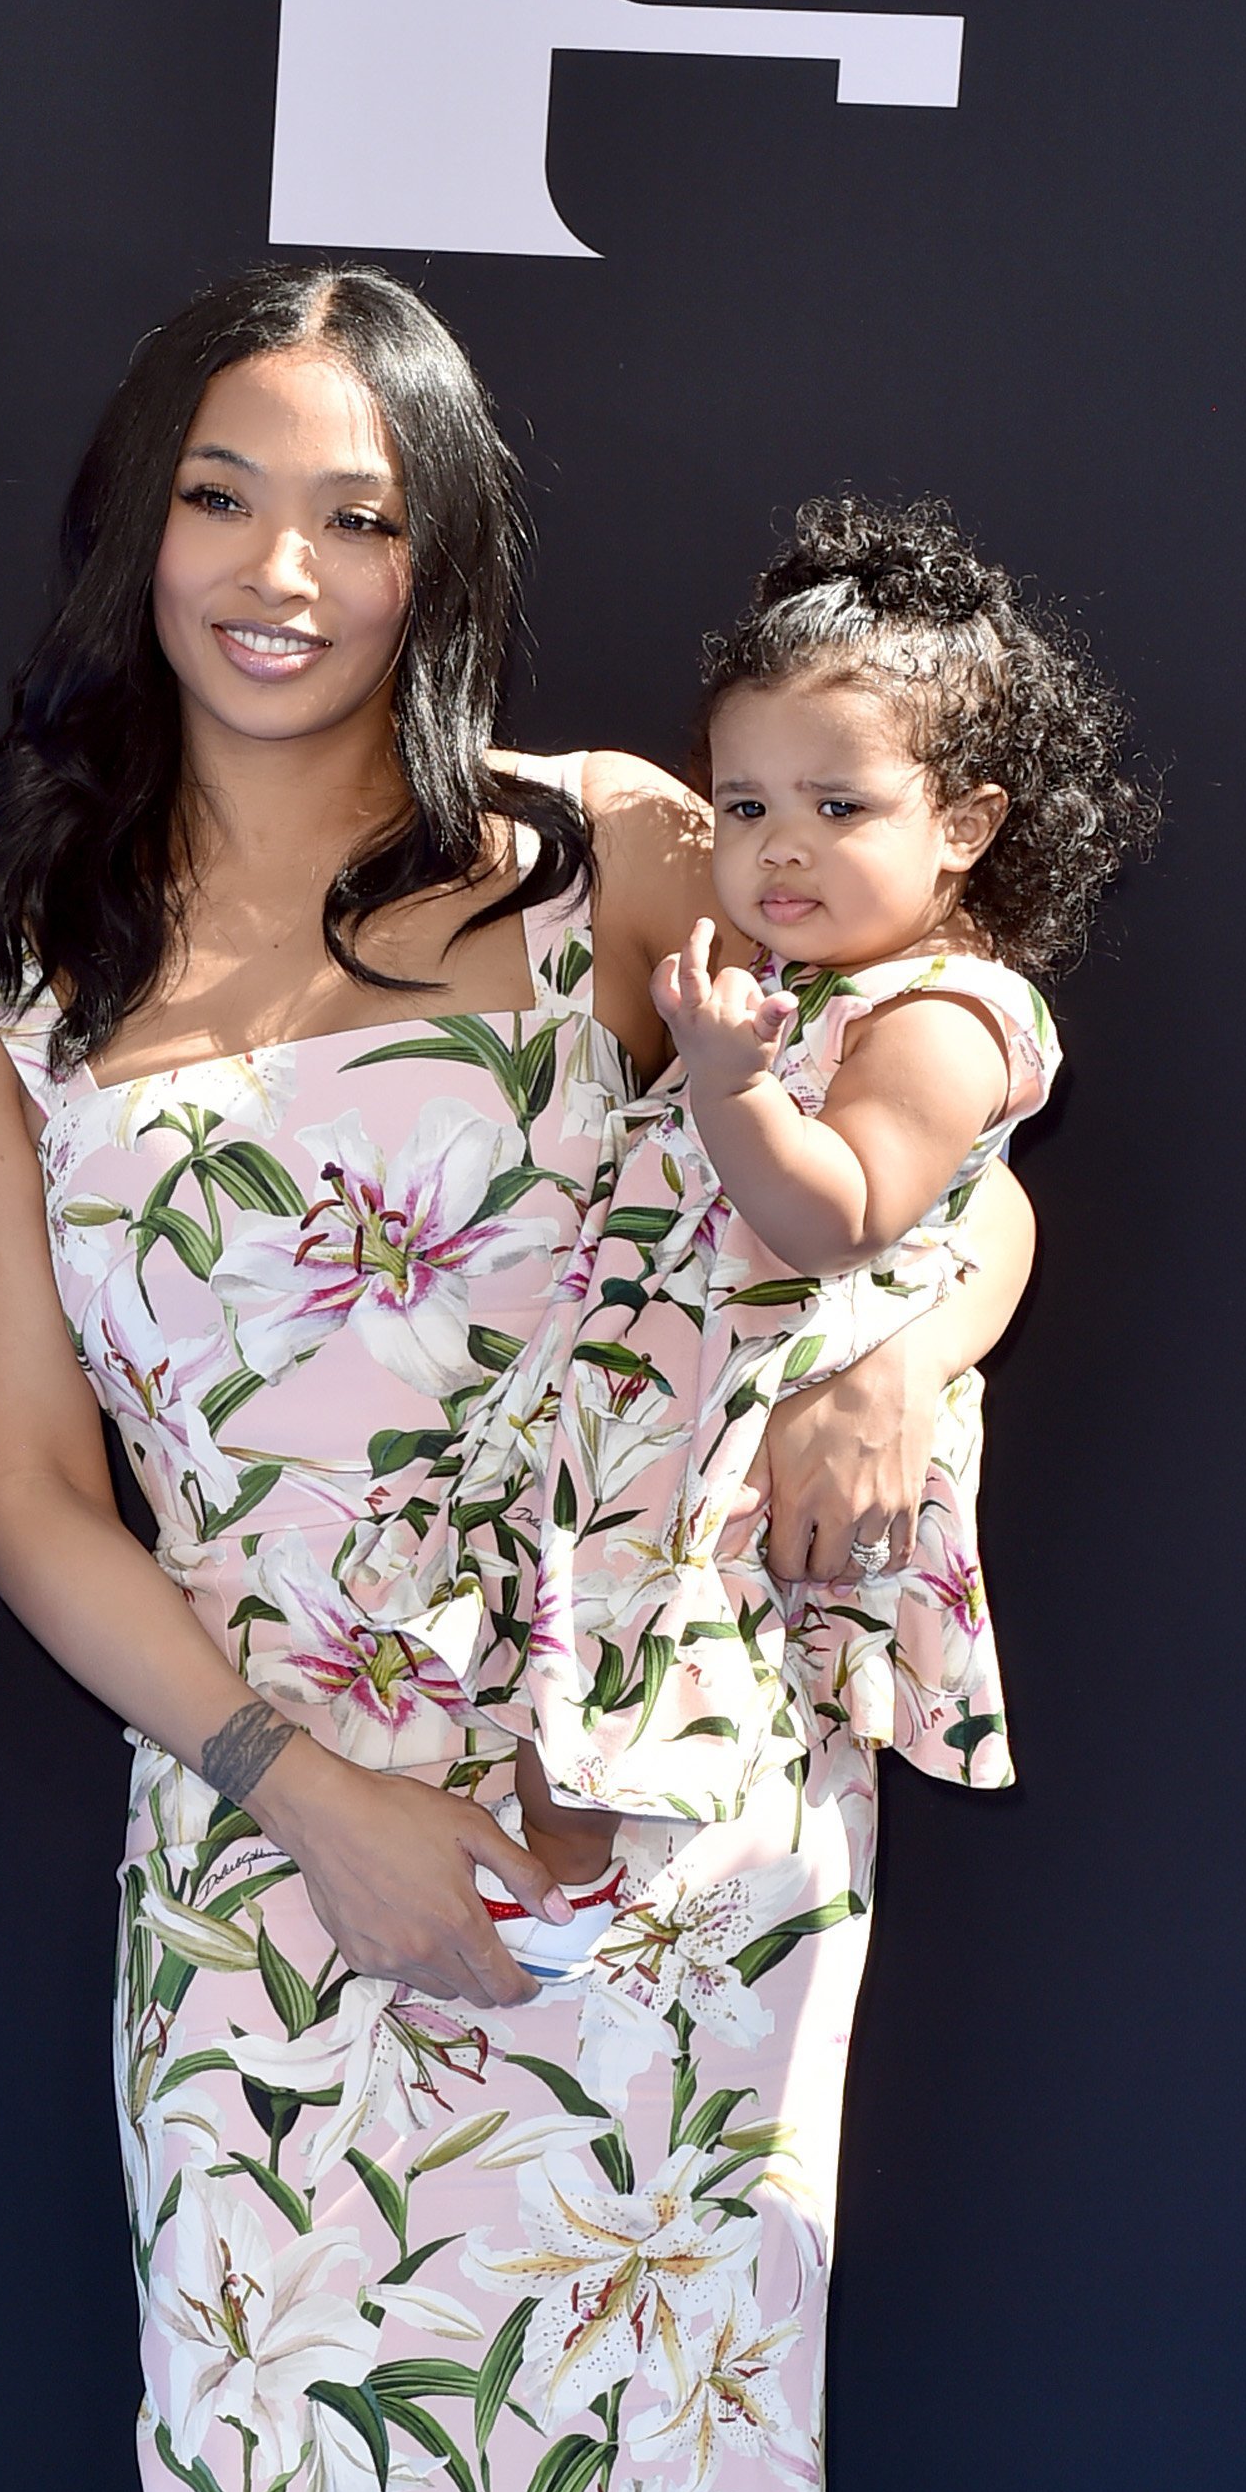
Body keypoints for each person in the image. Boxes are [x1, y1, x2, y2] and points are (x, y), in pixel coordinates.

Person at [0, 266, 1046, 2492]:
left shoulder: (621, 855)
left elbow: (940, 1080)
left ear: (443, 558)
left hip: (671, 1809)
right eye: (227, 498)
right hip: (280, 1826)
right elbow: (24, 1494)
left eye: (359, 515)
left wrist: (894, 1359)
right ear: (138, 524)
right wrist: (308, 1800)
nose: (285, 574)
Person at [521, 490, 1149, 1844]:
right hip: (657, 1434)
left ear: (967, 824)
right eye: (744, 803)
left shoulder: (941, 1015)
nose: (780, 842)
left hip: (761, 1473)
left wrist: (731, 1078)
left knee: (670, 1765)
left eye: (838, 803)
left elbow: (838, 1218)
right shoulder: (795, 985)